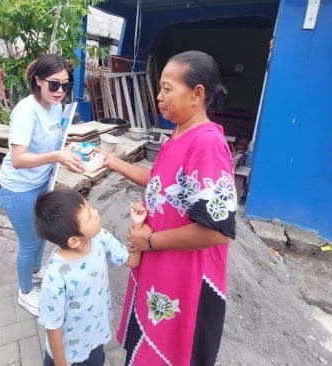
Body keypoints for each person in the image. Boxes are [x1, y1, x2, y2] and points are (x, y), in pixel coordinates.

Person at [96, 50, 237, 365]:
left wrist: (149, 241)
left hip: (186, 280)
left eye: (167, 89)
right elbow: (161, 183)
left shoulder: (208, 145)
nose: (158, 97)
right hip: (162, 272)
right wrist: (112, 161)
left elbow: (217, 231)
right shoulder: (179, 134)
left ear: (197, 94)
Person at [0, 53, 85, 316]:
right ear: (38, 80)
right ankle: (25, 291)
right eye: (54, 84)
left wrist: (67, 148)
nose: (60, 91)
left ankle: (36, 271)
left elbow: (52, 142)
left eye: (65, 85)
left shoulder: (57, 107)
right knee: (29, 242)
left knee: (42, 234)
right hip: (18, 188)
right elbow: (19, 159)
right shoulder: (26, 110)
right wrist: (57, 156)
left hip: (42, 182)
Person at [34, 189, 145, 366]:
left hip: (94, 338)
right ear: (74, 241)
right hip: (66, 353)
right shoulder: (56, 276)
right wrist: (61, 363)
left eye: (90, 208)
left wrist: (138, 227)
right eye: (88, 215)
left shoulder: (101, 238)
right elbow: (52, 324)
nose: (96, 213)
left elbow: (132, 261)